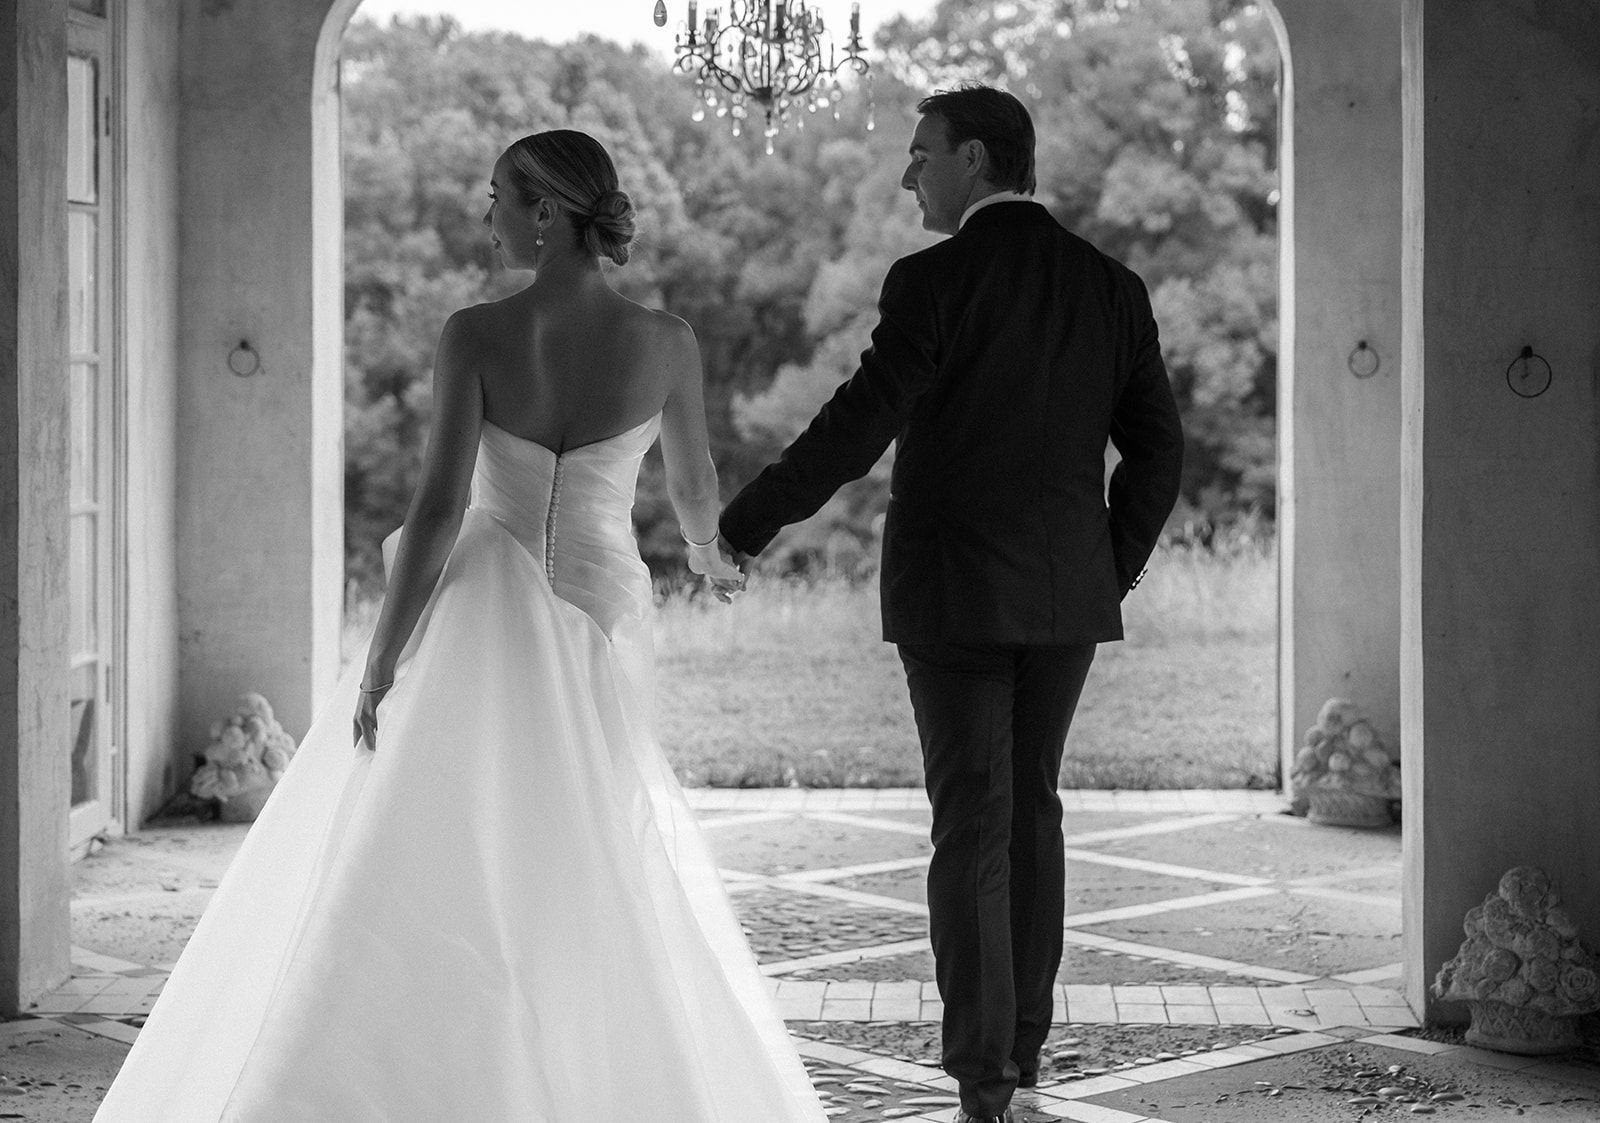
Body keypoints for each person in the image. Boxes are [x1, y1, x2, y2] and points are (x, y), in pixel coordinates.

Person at [95, 129, 824, 1122]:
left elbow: (439, 510)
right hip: (602, 611)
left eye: (495, 197)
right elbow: (694, 487)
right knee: (582, 843)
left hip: (482, 603)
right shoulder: (667, 342)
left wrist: (382, 662)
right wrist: (708, 559)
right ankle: (569, 1056)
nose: (483, 217)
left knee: (453, 838)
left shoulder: (475, 334)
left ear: (544, 214)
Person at [719, 84, 1184, 1123]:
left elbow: (856, 422)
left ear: (975, 159)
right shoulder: (1109, 285)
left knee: (972, 821)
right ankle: (1018, 1054)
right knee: (1032, 814)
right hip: (1064, 598)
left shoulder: (932, 280)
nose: (907, 174)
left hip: (951, 596)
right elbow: (1159, 448)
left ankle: (986, 1081)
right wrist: (1104, 569)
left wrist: (745, 522)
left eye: (920, 154)